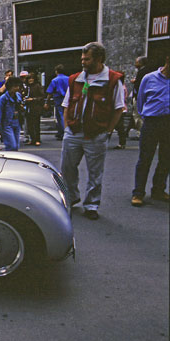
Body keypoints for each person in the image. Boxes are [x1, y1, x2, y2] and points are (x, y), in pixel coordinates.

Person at [61, 42, 125, 220]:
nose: (83, 61)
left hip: (96, 135)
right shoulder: (75, 79)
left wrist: (108, 131)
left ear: (98, 59)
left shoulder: (112, 80)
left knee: (95, 172)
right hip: (73, 132)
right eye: (82, 58)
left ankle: (91, 204)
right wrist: (67, 127)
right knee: (67, 168)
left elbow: (119, 108)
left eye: (86, 59)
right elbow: (66, 104)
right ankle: (71, 198)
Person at [131, 55, 169, 207]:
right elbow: (140, 102)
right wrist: (147, 116)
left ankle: (158, 190)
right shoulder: (149, 78)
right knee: (145, 158)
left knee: (166, 159)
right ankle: (138, 193)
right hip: (152, 122)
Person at [0, 77, 24, 151]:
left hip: (16, 123)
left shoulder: (18, 96)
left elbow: (22, 106)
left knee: (16, 146)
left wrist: (23, 108)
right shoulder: (3, 98)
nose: (17, 88)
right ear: (10, 87)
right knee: (11, 145)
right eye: (15, 86)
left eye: (18, 86)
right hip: (7, 124)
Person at [44, 64, 70, 140]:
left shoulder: (55, 80)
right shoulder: (68, 79)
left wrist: (47, 102)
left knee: (60, 115)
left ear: (56, 71)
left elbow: (50, 92)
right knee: (65, 114)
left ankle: (63, 132)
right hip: (67, 97)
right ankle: (61, 132)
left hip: (58, 98)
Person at [24, 73, 45, 146]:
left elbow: (42, 97)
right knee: (29, 125)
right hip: (28, 108)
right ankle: (32, 139)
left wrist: (33, 99)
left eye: (32, 78)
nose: (30, 80)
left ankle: (37, 139)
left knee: (36, 125)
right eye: (29, 78)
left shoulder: (37, 86)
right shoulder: (27, 87)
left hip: (36, 108)